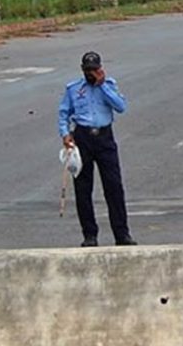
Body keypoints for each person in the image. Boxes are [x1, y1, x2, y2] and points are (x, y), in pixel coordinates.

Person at [57, 51, 136, 247]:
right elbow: (63, 113)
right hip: (82, 137)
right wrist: (65, 134)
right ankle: (89, 235)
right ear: (83, 70)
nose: (92, 74)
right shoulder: (74, 89)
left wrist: (103, 86)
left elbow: (121, 107)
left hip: (104, 137)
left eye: (95, 70)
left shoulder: (109, 85)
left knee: (114, 187)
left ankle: (121, 234)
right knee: (83, 189)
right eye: (88, 71)